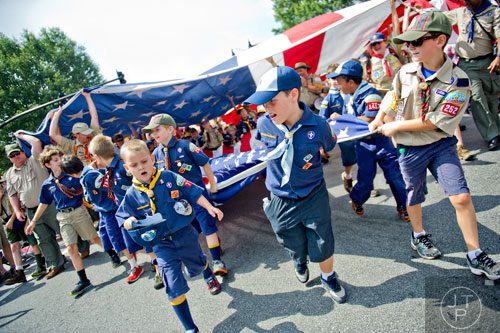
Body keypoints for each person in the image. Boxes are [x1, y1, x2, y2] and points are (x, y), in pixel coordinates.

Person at [370, 11, 500, 280]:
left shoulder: (459, 80)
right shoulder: (405, 72)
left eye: (417, 42)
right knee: (414, 195)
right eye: (408, 43)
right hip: (410, 149)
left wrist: (394, 127)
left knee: (461, 197)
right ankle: (419, 235)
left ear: (440, 40)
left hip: (440, 144)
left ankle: (475, 254)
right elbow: (393, 99)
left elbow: (435, 122)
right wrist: (380, 118)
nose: (410, 47)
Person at [248, 66, 347, 303]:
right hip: (280, 196)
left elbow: (330, 146)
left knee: (322, 238)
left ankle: (328, 275)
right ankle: (299, 260)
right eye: (263, 103)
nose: (266, 108)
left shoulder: (318, 125)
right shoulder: (264, 124)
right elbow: (261, 147)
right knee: (289, 237)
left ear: (293, 94)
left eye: (272, 101)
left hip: (312, 192)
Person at [116, 139, 223, 332]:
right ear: (127, 168)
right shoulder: (132, 194)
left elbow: (192, 192)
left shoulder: (169, 177)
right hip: (161, 245)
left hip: (184, 234)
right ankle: (190, 328)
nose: (141, 167)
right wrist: (129, 221)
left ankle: (208, 275)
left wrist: (209, 207)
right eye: (134, 165)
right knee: (172, 287)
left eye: (144, 161)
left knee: (198, 262)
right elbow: (123, 216)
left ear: (151, 159)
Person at [144, 114, 229, 277]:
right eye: (151, 132)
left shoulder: (185, 146)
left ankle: (217, 261)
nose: (154, 134)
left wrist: (213, 184)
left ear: (170, 129)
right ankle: (216, 245)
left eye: (157, 130)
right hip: (178, 201)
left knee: (207, 227)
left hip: (198, 196)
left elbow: (204, 162)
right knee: (194, 229)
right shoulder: (156, 153)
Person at [328, 60, 409, 221]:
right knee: (365, 178)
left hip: (381, 142)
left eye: (340, 80)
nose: (337, 83)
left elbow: (369, 119)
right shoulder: (350, 95)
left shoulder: (369, 93)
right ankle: (357, 198)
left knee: (395, 176)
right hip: (363, 144)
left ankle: (404, 206)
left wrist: (343, 119)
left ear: (351, 82)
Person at [26, 149, 103, 296]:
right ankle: (83, 279)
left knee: (93, 238)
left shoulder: (71, 175)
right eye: (55, 160)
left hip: (78, 211)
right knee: (71, 248)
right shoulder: (47, 184)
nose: (59, 161)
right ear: (48, 165)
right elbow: (43, 203)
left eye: (60, 157)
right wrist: (33, 221)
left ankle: (114, 252)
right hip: (63, 216)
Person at [87, 135, 154, 287]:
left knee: (148, 238)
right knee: (131, 241)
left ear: (97, 156)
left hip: (138, 210)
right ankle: (142, 265)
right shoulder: (110, 170)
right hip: (124, 212)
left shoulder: (123, 167)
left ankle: (158, 267)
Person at [4, 135, 66, 282]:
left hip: (49, 204)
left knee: (63, 228)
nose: (16, 157)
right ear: (9, 159)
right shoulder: (9, 174)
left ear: (23, 152)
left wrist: (20, 135)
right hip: (31, 210)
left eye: (17, 153)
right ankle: (56, 264)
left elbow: (36, 142)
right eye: (12, 155)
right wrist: (17, 211)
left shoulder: (35, 160)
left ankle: (83, 249)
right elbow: (12, 195)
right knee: (44, 239)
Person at [445, 0, 500, 151]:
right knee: (476, 98)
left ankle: (496, 130)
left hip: (488, 62)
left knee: (491, 99)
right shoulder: (461, 12)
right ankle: (491, 135)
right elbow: (440, 19)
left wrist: (499, 57)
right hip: (467, 65)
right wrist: (421, 12)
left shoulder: (494, 11)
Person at [320, 64, 358, 192]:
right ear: (328, 80)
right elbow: (322, 120)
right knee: (349, 158)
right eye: (333, 79)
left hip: (357, 130)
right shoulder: (328, 99)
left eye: (339, 78)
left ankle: (366, 184)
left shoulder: (351, 93)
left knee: (365, 158)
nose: (336, 82)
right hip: (344, 135)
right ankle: (348, 176)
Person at [50, 91, 101, 165]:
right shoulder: (70, 145)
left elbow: (94, 116)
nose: (88, 134)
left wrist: (88, 97)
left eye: (88, 131)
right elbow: (53, 135)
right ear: (76, 135)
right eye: (85, 133)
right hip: (85, 174)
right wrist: (57, 115)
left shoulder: (94, 135)